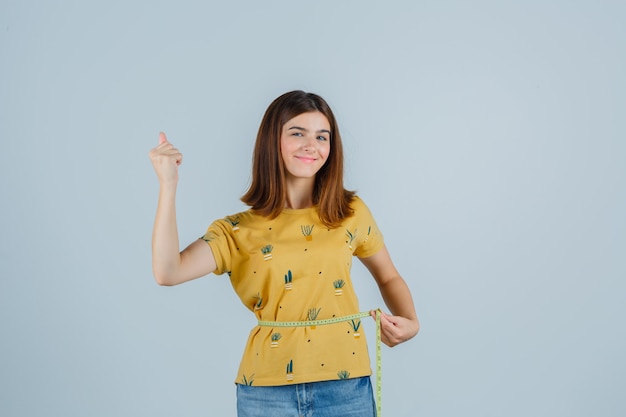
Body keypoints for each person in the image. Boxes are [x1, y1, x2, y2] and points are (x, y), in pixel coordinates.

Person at [149, 90, 419, 417]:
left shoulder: (350, 213)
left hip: (345, 387)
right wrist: (168, 184)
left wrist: (411, 322)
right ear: (271, 142)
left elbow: (388, 275)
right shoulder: (237, 230)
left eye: (322, 136)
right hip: (266, 392)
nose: (311, 145)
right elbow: (168, 271)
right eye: (297, 133)